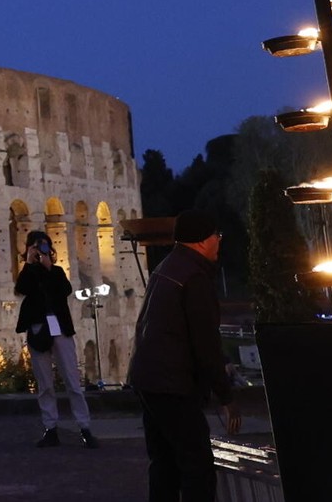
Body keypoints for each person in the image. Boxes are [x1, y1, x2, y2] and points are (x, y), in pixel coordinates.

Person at [127, 210, 233, 502]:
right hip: (172, 383)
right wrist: (226, 396)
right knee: (196, 465)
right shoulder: (194, 277)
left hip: (149, 378)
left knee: (164, 464)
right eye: (217, 236)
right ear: (202, 241)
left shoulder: (167, 267)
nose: (219, 241)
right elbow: (205, 342)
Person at [15, 230, 95, 448]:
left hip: (60, 328)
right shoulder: (28, 273)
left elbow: (65, 290)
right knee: (45, 383)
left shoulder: (57, 271)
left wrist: (48, 267)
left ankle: (84, 427)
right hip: (39, 328)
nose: (40, 249)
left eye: (43, 246)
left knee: (72, 380)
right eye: (35, 246)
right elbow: (21, 289)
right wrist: (30, 265)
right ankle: (50, 427)